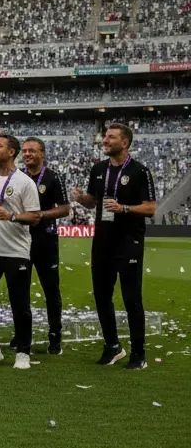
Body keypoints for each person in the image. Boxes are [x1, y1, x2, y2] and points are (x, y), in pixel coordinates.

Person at [70, 123, 156, 369]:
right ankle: (112, 346)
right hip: (102, 241)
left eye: (111, 137)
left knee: (131, 298)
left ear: (125, 143)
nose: (104, 140)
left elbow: (150, 207)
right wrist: (81, 198)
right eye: (105, 136)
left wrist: (124, 208)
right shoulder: (98, 169)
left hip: (129, 241)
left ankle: (138, 355)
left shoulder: (140, 171)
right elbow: (92, 202)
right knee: (102, 296)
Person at [0, 134, 41, 369]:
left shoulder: (24, 182)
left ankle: (23, 351)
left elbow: (35, 217)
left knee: (19, 304)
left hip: (16, 252)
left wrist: (11, 215)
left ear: (12, 152)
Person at [20, 137, 70, 355]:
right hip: (21, 240)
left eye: (32, 151)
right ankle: (22, 335)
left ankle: (55, 335)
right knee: (19, 290)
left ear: (42, 154)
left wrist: (41, 214)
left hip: (46, 241)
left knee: (51, 289)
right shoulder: (18, 177)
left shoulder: (53, 177)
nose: (27, 154)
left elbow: (65, 209)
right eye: (24, 151)